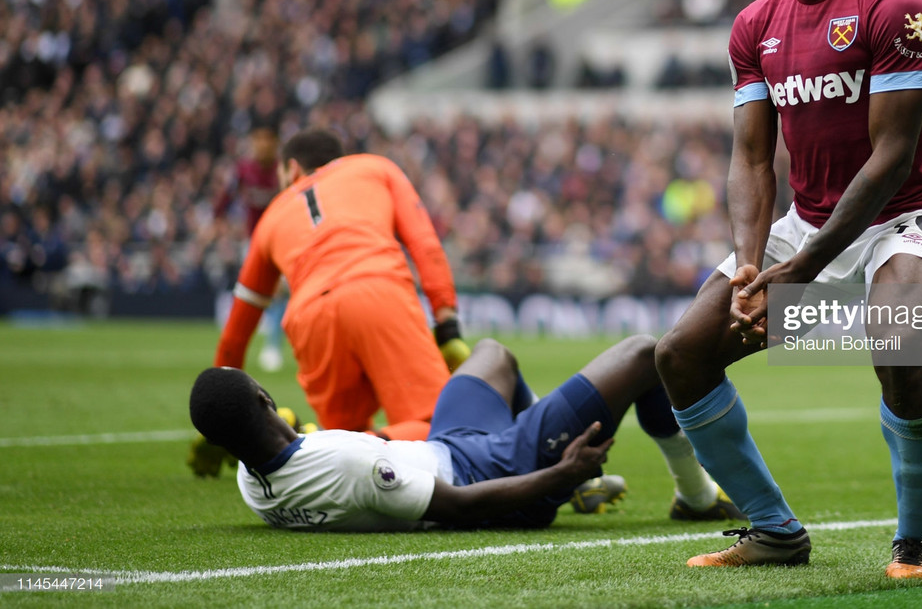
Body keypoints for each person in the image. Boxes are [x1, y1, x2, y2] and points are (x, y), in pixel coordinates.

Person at [654, 0, 922, 578]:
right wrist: (754, 265)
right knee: (682, 355)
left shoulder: (901, 10)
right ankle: (774, 530)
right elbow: (752, 158)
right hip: (808, 227)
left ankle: (915, 542)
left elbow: (891, 160)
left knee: (896, 341)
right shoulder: (755, 25)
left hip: (905, 215)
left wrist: (803, 267)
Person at [189, 336, 745, 531]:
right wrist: (558, 472)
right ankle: (694, 497)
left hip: (446, 446)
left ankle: (539, 439)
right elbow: (455, 508)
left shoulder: (251, 479)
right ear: (266, 400)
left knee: (491, 355)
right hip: (492, 473)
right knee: (646, 353)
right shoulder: (345, 463)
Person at [212, 128, 471, 442]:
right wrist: (447, 324)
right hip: (378, 290)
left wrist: (219, 414)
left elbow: (235, 336)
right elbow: (425, 244)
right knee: (440, 427)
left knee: (346, 444)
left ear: (291, 168)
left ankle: (312, 442)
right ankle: (320, 443)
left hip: (310, 317)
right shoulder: (376, 167)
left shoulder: (271, 217)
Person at [219, 123, 288, 372]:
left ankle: (273, 344)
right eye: (258, 140)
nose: (262, 145)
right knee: (255, 290)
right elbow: (226, 197)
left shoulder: (283, 170)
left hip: (281, 239)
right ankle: (242, 348)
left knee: (279, 290)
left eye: (267, 140)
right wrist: (219, 220)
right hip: (254, 240)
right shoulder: (244, 170)